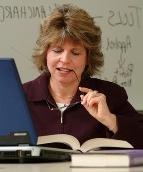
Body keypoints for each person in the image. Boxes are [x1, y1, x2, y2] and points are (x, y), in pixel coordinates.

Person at [23, 4, 143, 148]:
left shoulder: (111, 95)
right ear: (45, 53)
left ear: (88, 58)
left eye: (75, 53)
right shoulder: (21, 96)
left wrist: (110, 120)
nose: (65, 59)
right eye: (57, 50)